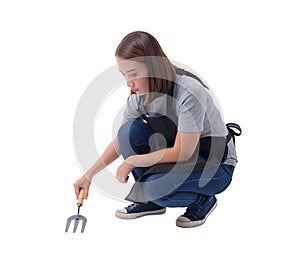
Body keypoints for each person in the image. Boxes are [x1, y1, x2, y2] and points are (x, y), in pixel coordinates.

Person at [73, 31, 239, 228]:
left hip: (214, 165)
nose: (129, 83)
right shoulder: (139, 97)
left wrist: (134, 161)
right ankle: (150, 202)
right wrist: (89, 175)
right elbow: (120, 141)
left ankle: (203, 200)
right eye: (124, 75)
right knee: (127, 132)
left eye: (133, 74)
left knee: (153, 188)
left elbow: (184, 152)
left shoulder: (189, 92)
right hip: (180, 160)